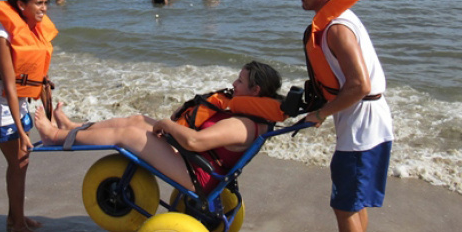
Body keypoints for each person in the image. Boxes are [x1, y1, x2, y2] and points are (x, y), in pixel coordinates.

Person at [296, 0, 394, 232]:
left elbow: (357, 85)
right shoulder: (337, 21)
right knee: (354, 203)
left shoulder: (337, 27)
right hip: (367, 119)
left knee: (346, 206)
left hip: (363, 124)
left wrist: (320, 114)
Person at [33, 61, 283, 193]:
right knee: (136, 120)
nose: (233, 83)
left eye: (240, 80)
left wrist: (167, 125)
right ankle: (74, 128)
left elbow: (196, 142)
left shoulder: (244, 125)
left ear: (255, 90)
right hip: (194, 161)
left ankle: (55, 136)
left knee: (127, 134)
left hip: (198, 174)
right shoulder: (251, 118)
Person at [0, 0, 57, 232]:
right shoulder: (2, 39)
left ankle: (15, 218)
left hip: (17, 101)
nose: (44, 8)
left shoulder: (33, 31)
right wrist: (22, 132)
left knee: (20, 161)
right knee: (19, 161)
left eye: (46, 2)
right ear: (21, 5)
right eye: (38, 3)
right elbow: (9, 87)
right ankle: (18, 228)